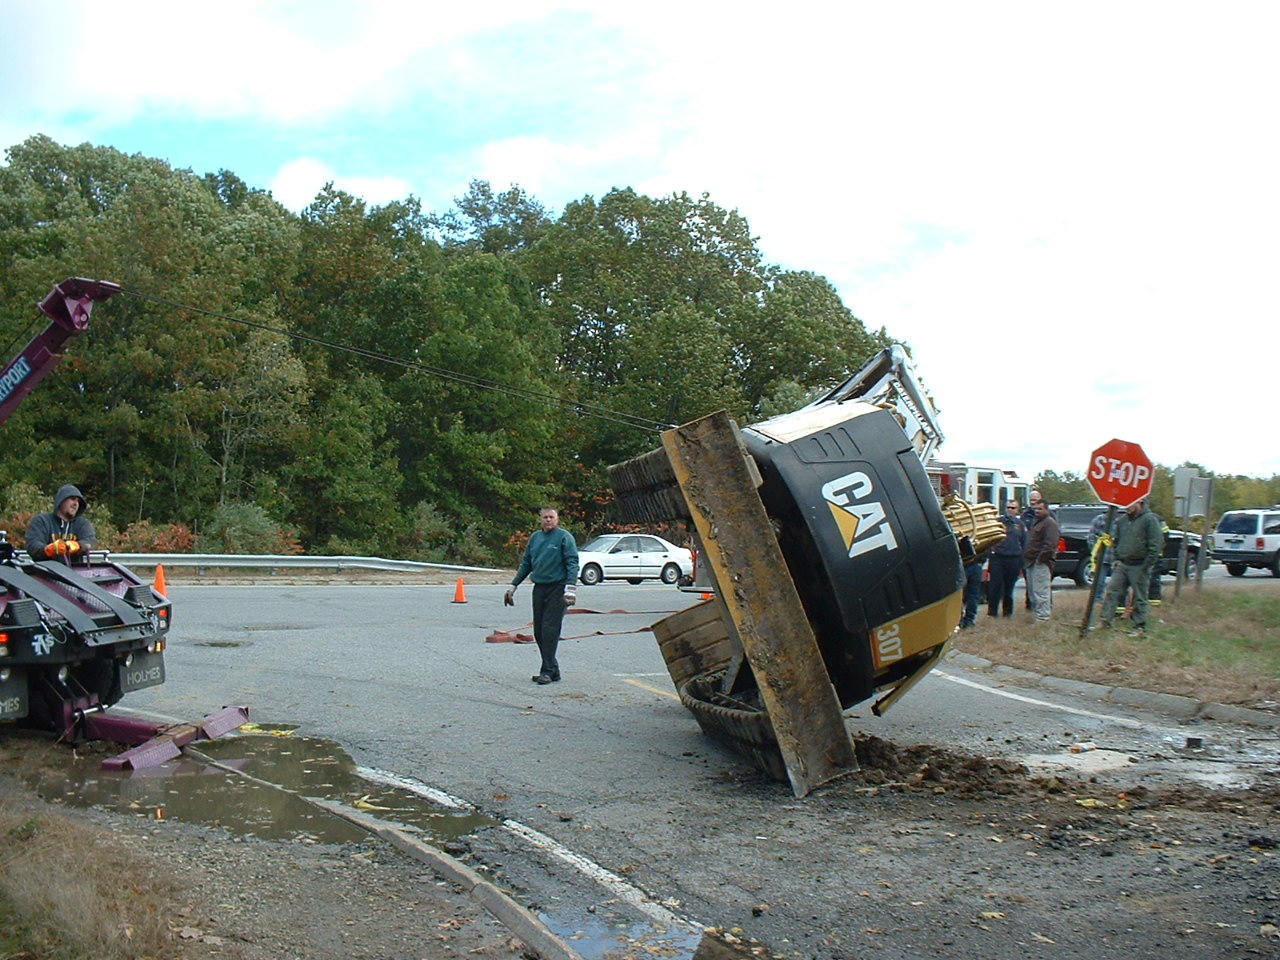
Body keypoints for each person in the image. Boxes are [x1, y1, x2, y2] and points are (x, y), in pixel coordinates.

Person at [504, 507, 579, 684]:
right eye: (545, 517)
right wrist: (513, 586)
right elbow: (526, 563)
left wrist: (570, 590)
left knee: (549, 630)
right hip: (539, 588)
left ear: (557, 519)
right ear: (541, 519)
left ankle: (547, 671)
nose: (548, 520)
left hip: (558, 588)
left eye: (551, 517)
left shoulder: (564, 537)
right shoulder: (535, 538)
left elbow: (572, 563)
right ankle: (553, 670)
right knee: (538, 631)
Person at [1097, 498, 1163, 635]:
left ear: (1140, 502)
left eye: (1130, 503)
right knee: (1111, 591)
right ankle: (1105, 621)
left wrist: (1147, 565)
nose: (1127, 507)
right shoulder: (1122, 521)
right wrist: (1116, 558)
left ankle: (1140, 627)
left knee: (1140, 596)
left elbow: (1156, 544)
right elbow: (1117, 541)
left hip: (1140, 564)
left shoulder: (1149, 520)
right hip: (1122, 563)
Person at [25, 484, 96, 566]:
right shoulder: (41, 521)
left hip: (75, 574)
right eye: (72, 499)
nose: (76, 504)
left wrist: (78, 545)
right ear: (61, 500)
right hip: (45, 572)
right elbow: (33, 545)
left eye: (78, 501)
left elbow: (90, 541)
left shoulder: (82, 524)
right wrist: (50, 549)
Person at [987, 499, 1026, 617]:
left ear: (1017, 510)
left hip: (1013, 559)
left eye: (1013, 508)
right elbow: (990, 538)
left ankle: (1007, 613)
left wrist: (1021, 562)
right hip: (998, 559)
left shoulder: (1020, 524)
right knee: (995, 587)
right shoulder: (998, 522)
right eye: (1008, 507)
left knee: (1009, 588)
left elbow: (1024, 543)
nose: (1010, 509)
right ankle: (992, 613)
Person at [1023, 499, 1059, 622]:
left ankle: (1043, 618)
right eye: (1036, 509)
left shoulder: (1050, 523)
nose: (1037, 511)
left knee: (1041, 592)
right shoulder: (1037, 522)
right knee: (1033, 592)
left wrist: (1040, 560)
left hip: (1042, 563)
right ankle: (1039, 616)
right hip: (1031, 562)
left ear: (1047, 510)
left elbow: (1051, 545)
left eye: (1040, 509)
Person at [1021, 490, 1044, 608]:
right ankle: (1030, 607)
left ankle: (1044, 608)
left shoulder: (1048, 515)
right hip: (1027, 556)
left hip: (1041, 556)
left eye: (1035, 499)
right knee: (1029, 584)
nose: (1033, 502)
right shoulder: (1025, 516)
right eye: (1031, 500)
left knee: (1041, 584)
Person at [959, 559, 983, 629]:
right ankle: (970, 620)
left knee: (957, 595)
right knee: (973, 595)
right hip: (976, 564)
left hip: (960, 565)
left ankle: (958, 620)